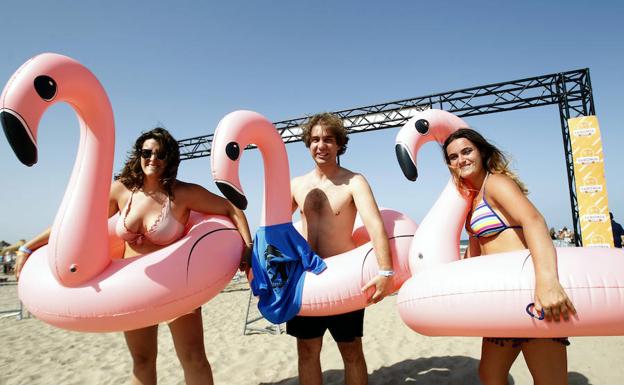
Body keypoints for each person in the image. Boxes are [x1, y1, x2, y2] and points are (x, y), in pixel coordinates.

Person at [14, 127, 253, 385]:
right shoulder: (121, 191)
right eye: (147, 152)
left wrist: (248, 246)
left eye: (161, 154)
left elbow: (232, 209)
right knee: (142, 361)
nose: (153, 159)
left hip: (175, 287)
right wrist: (29, 246)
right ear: (139, 155)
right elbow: (75, 224)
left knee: (194, 357)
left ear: (170, 159)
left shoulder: (183, 194)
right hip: (132, 289)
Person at [443, 128, 577, 385]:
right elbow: (477, 252)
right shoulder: (471, 199)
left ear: (482, 152)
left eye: (467, 151)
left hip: (529, 293)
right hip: (502, 301)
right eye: (453, 156)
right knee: (490, 375)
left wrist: (547, 282)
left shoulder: (496, 183)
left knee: (549, 381)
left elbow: (534, 220)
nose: (461, 159)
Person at [288, 113, 394, 385]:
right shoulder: (297, 184)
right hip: (307, 279)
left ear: (339, 145)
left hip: (343, 280)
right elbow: (273, 225)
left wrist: (385, 271)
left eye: (328, 140)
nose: (320, 145)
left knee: (351, 351)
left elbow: (375, 225)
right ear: (307, 144)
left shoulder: (354, 181)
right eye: (314, 140)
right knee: (307, 351)